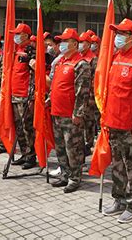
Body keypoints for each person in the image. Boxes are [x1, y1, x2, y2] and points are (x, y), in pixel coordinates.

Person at [102, 18, 132, 224]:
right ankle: (119, 200)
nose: (117, 37)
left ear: (131, 36)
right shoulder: (113, 58)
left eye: (121, 33)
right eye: (116, 33)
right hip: (113, 122)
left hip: (130, 125)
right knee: (117, 166)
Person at [49, 28, 91, 193]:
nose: (61, 45)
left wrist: (78, 113)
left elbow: (82, 92)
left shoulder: (81, 64)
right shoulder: (60, 62)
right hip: (57, 112)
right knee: (60, 147)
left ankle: (75, 178)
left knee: (73, 148)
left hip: (70, 115)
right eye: (60, 41)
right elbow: (55, 87)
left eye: (65, 41)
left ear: (75, 44)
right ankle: (65, 174)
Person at [10, 23, 37, 169]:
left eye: (17, 34)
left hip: (25, 95)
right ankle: (24, 153)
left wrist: (31, 96)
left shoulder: (31, 50)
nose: (15, 37)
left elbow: (34, 73)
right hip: (15, 93)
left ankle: (31, 156)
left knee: (27, 127)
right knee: (18, 126)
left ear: (25, 35)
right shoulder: (16, 50)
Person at [78, 31, 97, 156]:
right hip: (79, 97)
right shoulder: (78, 57)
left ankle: (88, 146)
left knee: (89, 124)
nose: (80, 45)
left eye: (81, 42)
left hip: (89, 98)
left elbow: (96, 79)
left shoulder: (93, 60)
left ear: (88, 44)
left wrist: (92, 96)